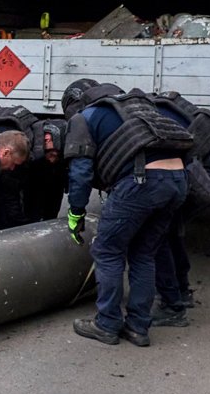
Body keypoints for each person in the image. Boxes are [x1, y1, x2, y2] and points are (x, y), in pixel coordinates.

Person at [63, 79, 191, 347]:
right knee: (143, 253)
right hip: (177, 181)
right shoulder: (139, 107)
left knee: (108, 251)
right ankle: (137, 327)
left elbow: (81, 173)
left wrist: (76, 213)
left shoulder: (84, 118)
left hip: (141, 181)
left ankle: (107, 324)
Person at [150, 92, 210, 325]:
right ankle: (181, 291)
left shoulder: (141, 117)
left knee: (155, 233)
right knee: (170, 227)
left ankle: (172, 306)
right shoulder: (157, 105)